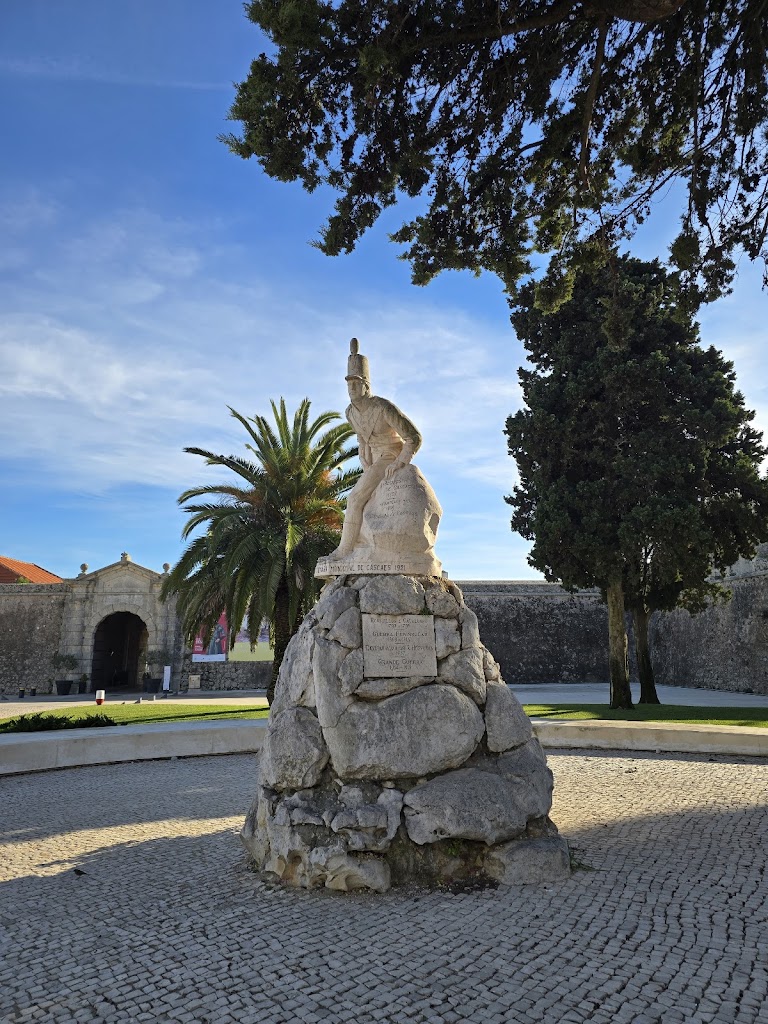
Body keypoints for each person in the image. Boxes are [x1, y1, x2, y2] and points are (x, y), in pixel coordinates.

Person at [327, 338, 422, 559]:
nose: (351, 388)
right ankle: (357, 544)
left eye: (356, 383)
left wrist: (399, 462)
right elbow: (362, 437)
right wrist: (364, 457)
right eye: (348, 384)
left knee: (355, 498)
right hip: (373, 460)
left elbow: (414, 437)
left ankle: (344, 550)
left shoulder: (382, 407)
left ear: (366, 386)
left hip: (390, 455)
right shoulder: (350, 413)